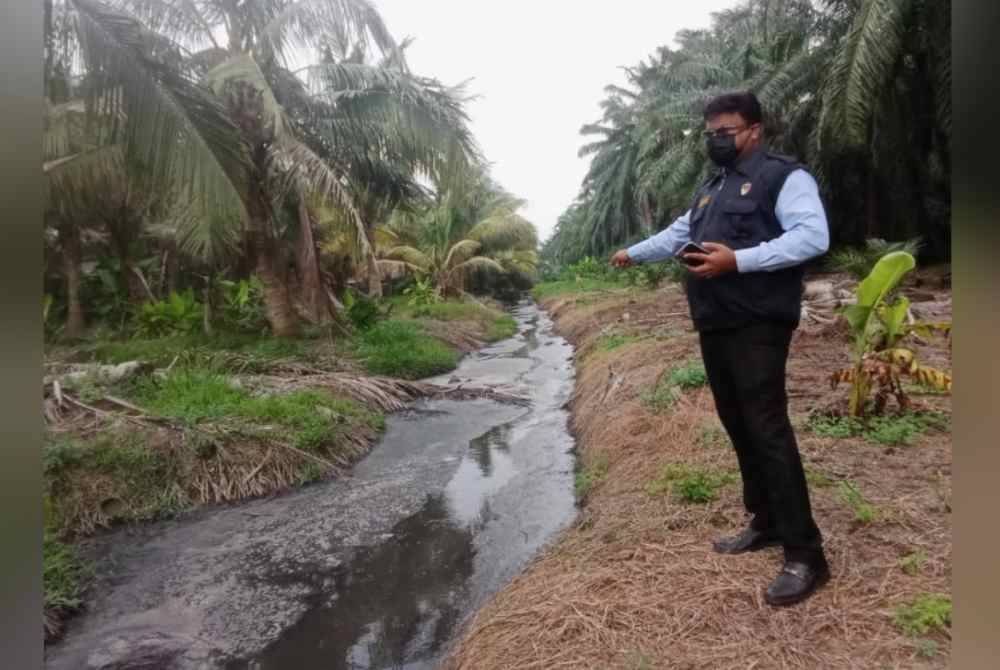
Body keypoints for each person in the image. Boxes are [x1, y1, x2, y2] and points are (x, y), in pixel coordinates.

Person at [610, 91, 830, 606]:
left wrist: (741, 261)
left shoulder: (784, 177)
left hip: (758, 322)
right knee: (738, 422)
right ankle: (766, 520)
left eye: (725, 131)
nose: (716, 140)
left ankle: (806, 554)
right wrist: (633, 254)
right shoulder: (712, 187)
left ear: (754, 129)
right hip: (716, 322)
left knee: (767, 427)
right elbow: (679, 234)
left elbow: (812, 237)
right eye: (710, 132)